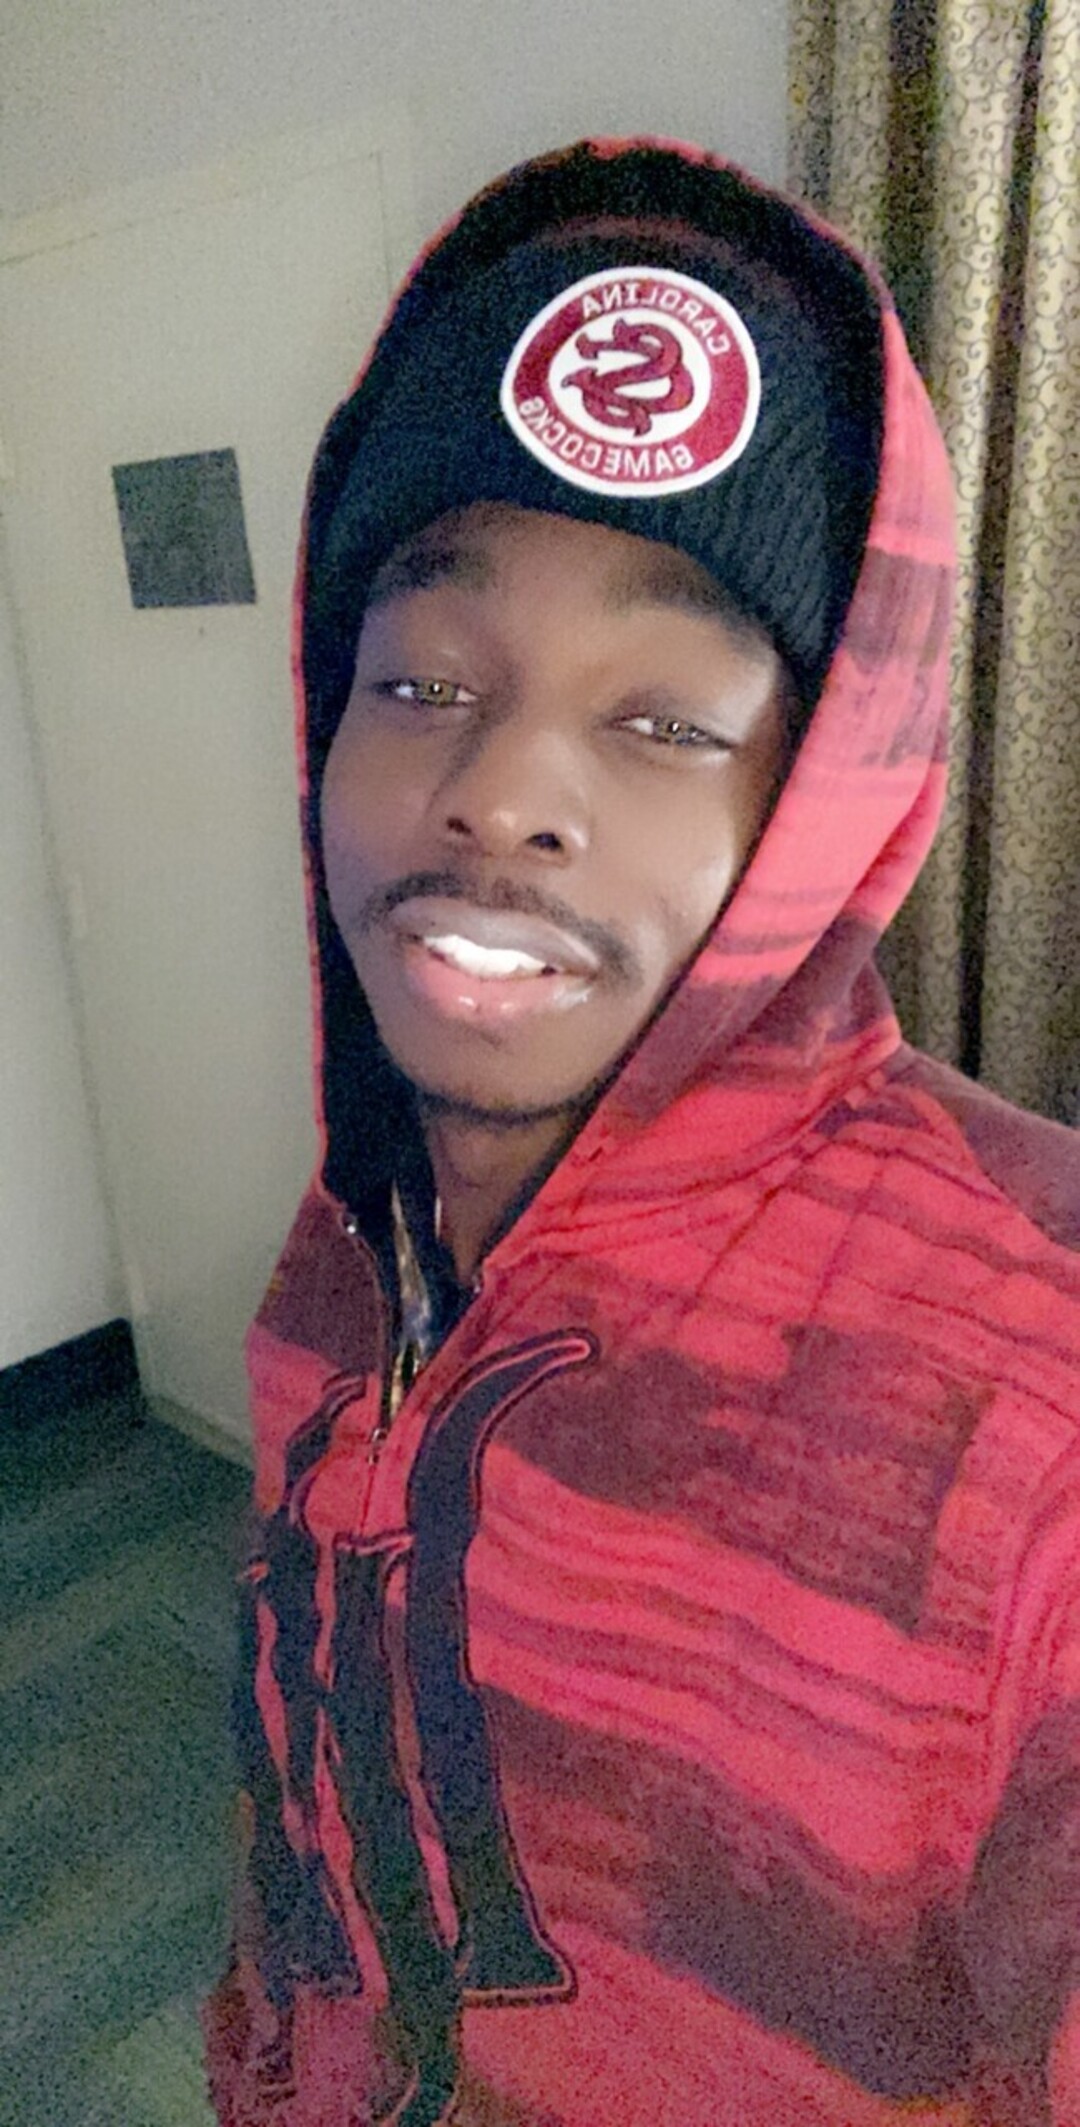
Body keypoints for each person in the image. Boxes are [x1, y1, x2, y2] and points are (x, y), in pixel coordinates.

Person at [202, 138, 1080, 2127]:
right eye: (419, 678)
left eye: (669, 719)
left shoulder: (1036, 1410)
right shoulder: (350, 1253)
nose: (501, 786)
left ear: (833, 791)